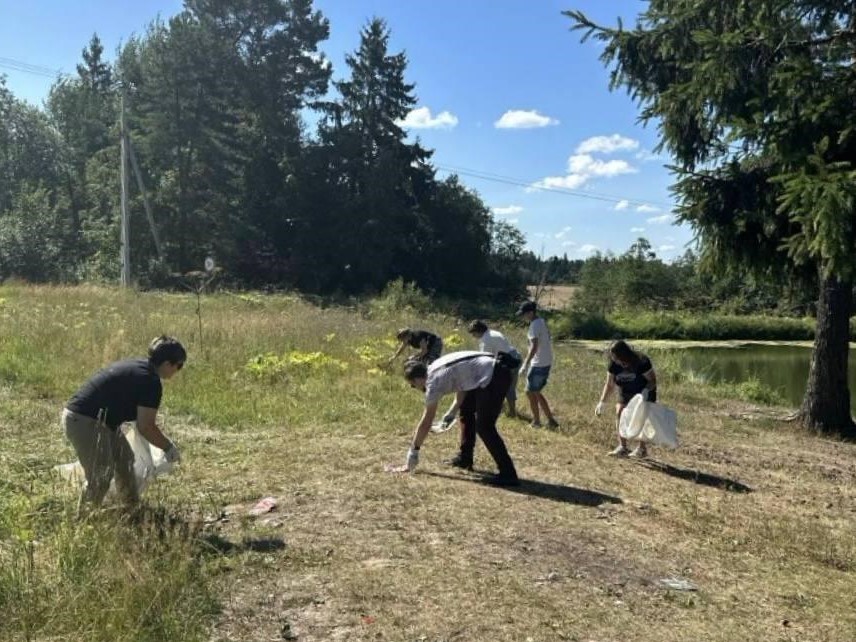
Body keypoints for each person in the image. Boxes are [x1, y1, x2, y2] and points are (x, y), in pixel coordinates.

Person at [61, 336, 186, 511]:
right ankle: (84, 520)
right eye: (179, 365)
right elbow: (146, 427)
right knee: (101, 475)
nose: (178, 370)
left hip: (101, 422)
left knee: (125, 460)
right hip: (85, 421)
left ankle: (131, 508)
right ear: (167, 364)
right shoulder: (150, 381)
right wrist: (168, 447)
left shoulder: (140, 367)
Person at [390, 351, 520, 486]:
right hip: (491, 369)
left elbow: (426, 422)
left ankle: (508, 474)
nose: (413, 387)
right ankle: (465, 459)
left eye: (412, 384)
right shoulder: (435, 366)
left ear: (417, 379)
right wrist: (451, 413)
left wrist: (413, 452)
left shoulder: (433, 383)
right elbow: (463, 383)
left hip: (495, 375)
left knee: (484, 427)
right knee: (466, 410)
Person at [595, 339, 658, 458]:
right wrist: (602, 402)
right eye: (613, 357)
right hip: (626, 392)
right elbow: (609, 384)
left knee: (641, 417)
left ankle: (642, 449)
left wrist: (645, 391)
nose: (615, 360)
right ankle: (623, 447)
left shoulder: (641, 361)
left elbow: (652, 381)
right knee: (620, 411)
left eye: (617, 357)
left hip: (644, 392)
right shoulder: (613, 364)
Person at [517, 301, 559, 428]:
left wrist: (525, 364)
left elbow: (534, 347)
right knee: (535, 392)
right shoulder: (541, 321)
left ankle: (536, 422)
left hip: (539, 363)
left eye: (524, 314)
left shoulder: (534, 325)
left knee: (530, 392)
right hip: (545, 361)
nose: (522, 317)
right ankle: (551, 421)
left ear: (531, 313)